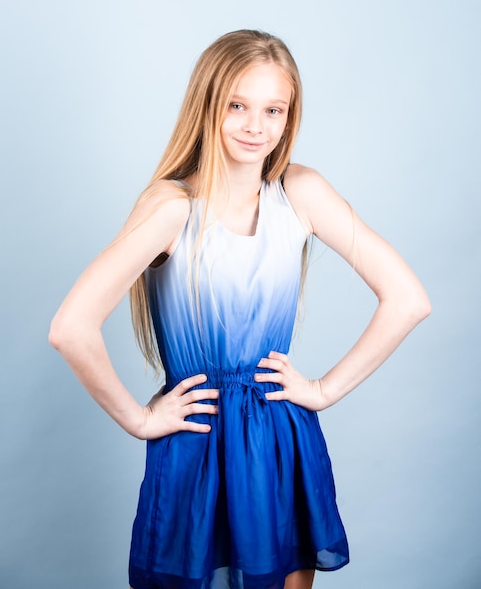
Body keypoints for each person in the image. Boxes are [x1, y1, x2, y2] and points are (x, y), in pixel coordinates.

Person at [49, 29, 431, 589]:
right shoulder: (171, 207)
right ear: (207, 103)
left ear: (289, 116)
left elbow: (408, 299)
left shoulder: (301, 192)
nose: (256, 126)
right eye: (237, 105)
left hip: (281, 437)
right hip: (196, 441)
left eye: (273, 109)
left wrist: (323, 391)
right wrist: (139, 419)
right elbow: (71, 328)